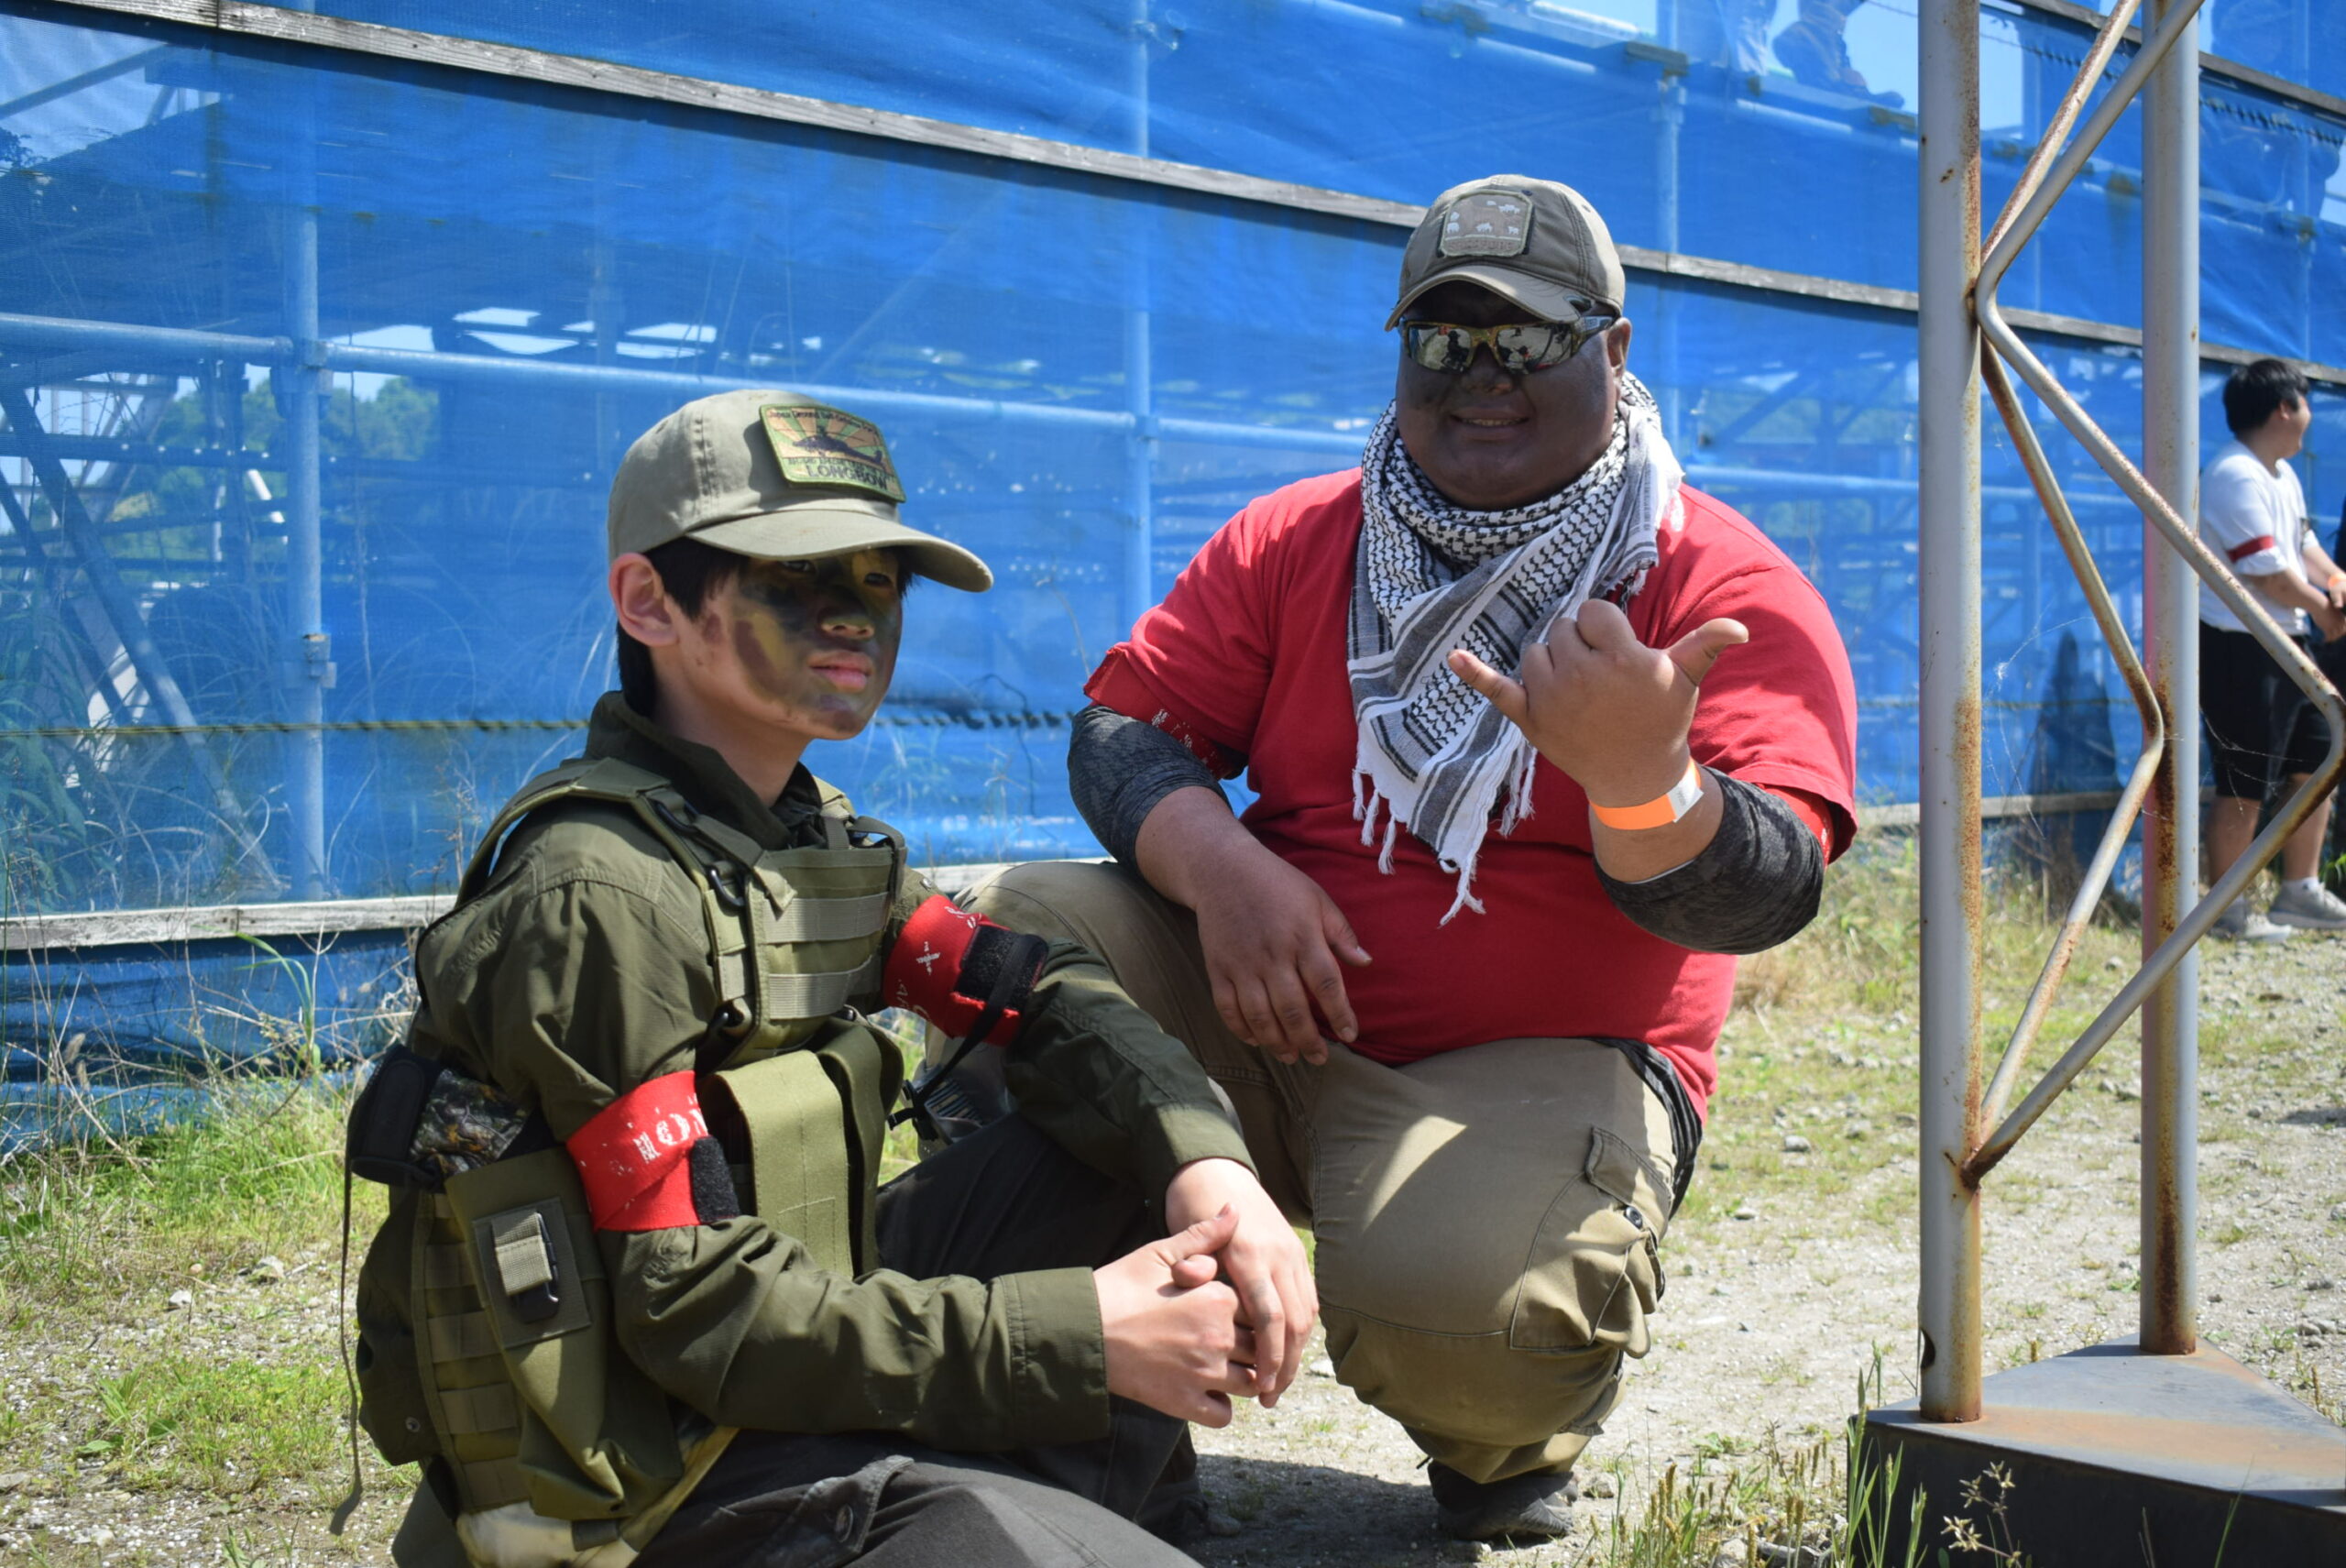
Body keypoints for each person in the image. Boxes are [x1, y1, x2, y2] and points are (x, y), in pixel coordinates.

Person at [949, 177, 1858, 1544]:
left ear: (1615, 350)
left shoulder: (1704, 579)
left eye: (1528, 338)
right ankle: (1098, 1406)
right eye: (1443, 337)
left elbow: (1770, 886)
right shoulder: (1299, 536)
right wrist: (1226, 873)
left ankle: (1503, 1431)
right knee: (1004, 934)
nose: (1480, 373)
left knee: (1475, 1325)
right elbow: (1124, 733)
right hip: (1267, 1015)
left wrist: (1644, 783)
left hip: (1541, 1063)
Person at [345, 389, 1314, 1568]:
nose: (853, 614)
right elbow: (689, 1311)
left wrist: (1210, 1164)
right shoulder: (598, 896)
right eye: (793, 575)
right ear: (649, 601)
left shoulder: (801, 842)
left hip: (769, 1363)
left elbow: (1039, 991)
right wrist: (1079, 1335)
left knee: (1121, 1133)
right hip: (648, 1473)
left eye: (878, 580)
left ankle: (1072, 1513)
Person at [2197, 357, 2346, 939]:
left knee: (2318, 761)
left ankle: (2298, 891)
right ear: (2284, 408)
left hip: (2288, 642)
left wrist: (2336, 581)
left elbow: (2302, 546)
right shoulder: (2235, 473)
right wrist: (2324, 609)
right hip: (2240, 645)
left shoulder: (2281, 474)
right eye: (2304, 404)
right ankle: (2226, 912)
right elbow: (2265, 572)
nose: (2310, 416)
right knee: (2245, 779)